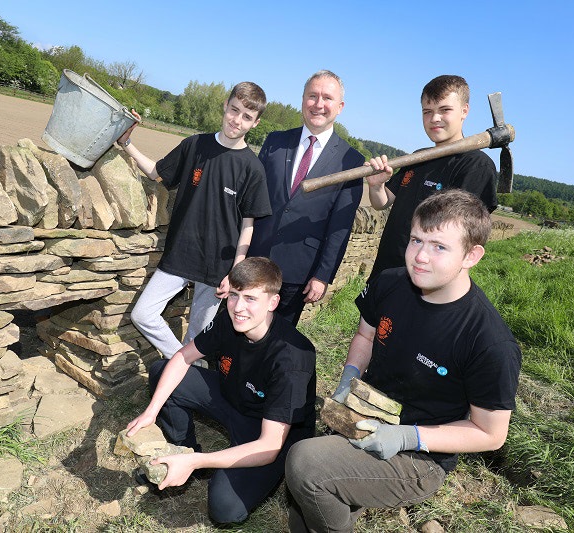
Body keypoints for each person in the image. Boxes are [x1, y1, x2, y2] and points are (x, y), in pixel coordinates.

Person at [285, 189, 522, 533]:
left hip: (421, 455)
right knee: (302, 504)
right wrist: (348, 378)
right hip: (369, 414)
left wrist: (405, 437)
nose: (420, 257)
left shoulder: (488, 341)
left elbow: (490, 434)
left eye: (439, 246)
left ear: (472, 255)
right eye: (416, 240)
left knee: (305, 464)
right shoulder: (390, 282)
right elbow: (365, 337)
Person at [125, 257, 316, 525]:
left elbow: (270, 445)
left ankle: (196, 463)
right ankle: (184, 451)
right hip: (232, 397)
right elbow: (182, 357)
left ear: (273, 302)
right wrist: (151, 411)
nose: (238, 307)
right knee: (161, 371)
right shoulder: (230, 319)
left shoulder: (292, 358)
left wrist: (202, 462)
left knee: (225, 509)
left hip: (269, 431)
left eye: (250, 298)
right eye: (234, 295)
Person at [116, 82, 272, 360]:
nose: (237, 120)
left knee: (198, 334)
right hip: (180, 254)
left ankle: (186, 381)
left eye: (246, 116)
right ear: (225, 105)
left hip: (217, 267)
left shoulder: (253, 168)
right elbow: (156, 172)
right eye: (234, 110)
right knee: (143, 314)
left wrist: (236, 272)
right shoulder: (195, 145)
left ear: (256, 122)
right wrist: (127, 143)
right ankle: (183, 363)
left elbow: (248, 227)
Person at [248, 70, 365, 325]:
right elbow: (251, 197)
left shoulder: (352, 161)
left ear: (340, 106)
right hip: (255, 259)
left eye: (327, 98)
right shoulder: (275, 141)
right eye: (312, 96)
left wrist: (322, 275)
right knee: (237, 331)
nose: (319, 104)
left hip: (298, 273)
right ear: (303, 99)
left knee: (277, 343)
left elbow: (340, 227)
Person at [366, 74, 498, 279]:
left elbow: (463, 239)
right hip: (384, 274)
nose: (434, 118)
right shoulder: (418, 157)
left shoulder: (476, 166)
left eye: (445, 110)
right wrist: (376, 186)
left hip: (426, 283)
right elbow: (382, 203)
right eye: (427, 111)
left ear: (464, 111)